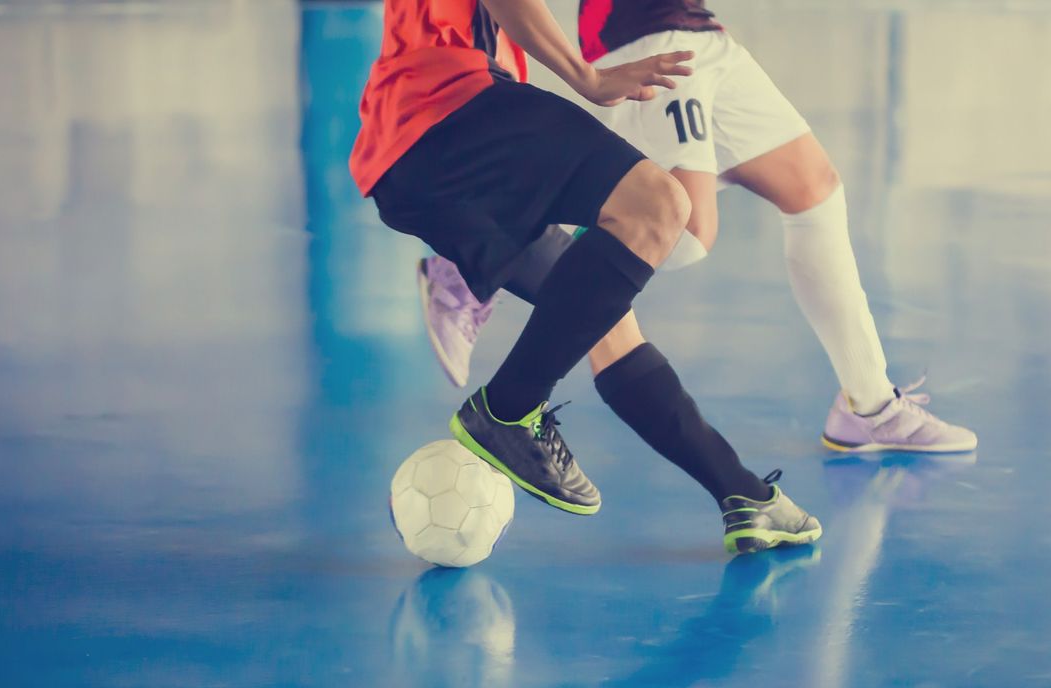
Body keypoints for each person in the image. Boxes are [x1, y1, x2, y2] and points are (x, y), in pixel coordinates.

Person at [353, 0, 820, 554]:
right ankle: (503, 410)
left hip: (411, 161)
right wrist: (586, 76)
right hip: (452, 108)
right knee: (659, 206)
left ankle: (742, 496)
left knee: (604, 323)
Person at [418, 0, 977, 455]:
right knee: (679, 229)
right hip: (646, 32)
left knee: (814, 189)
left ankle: (869, 405)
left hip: (702, 32)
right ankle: (479, 259)